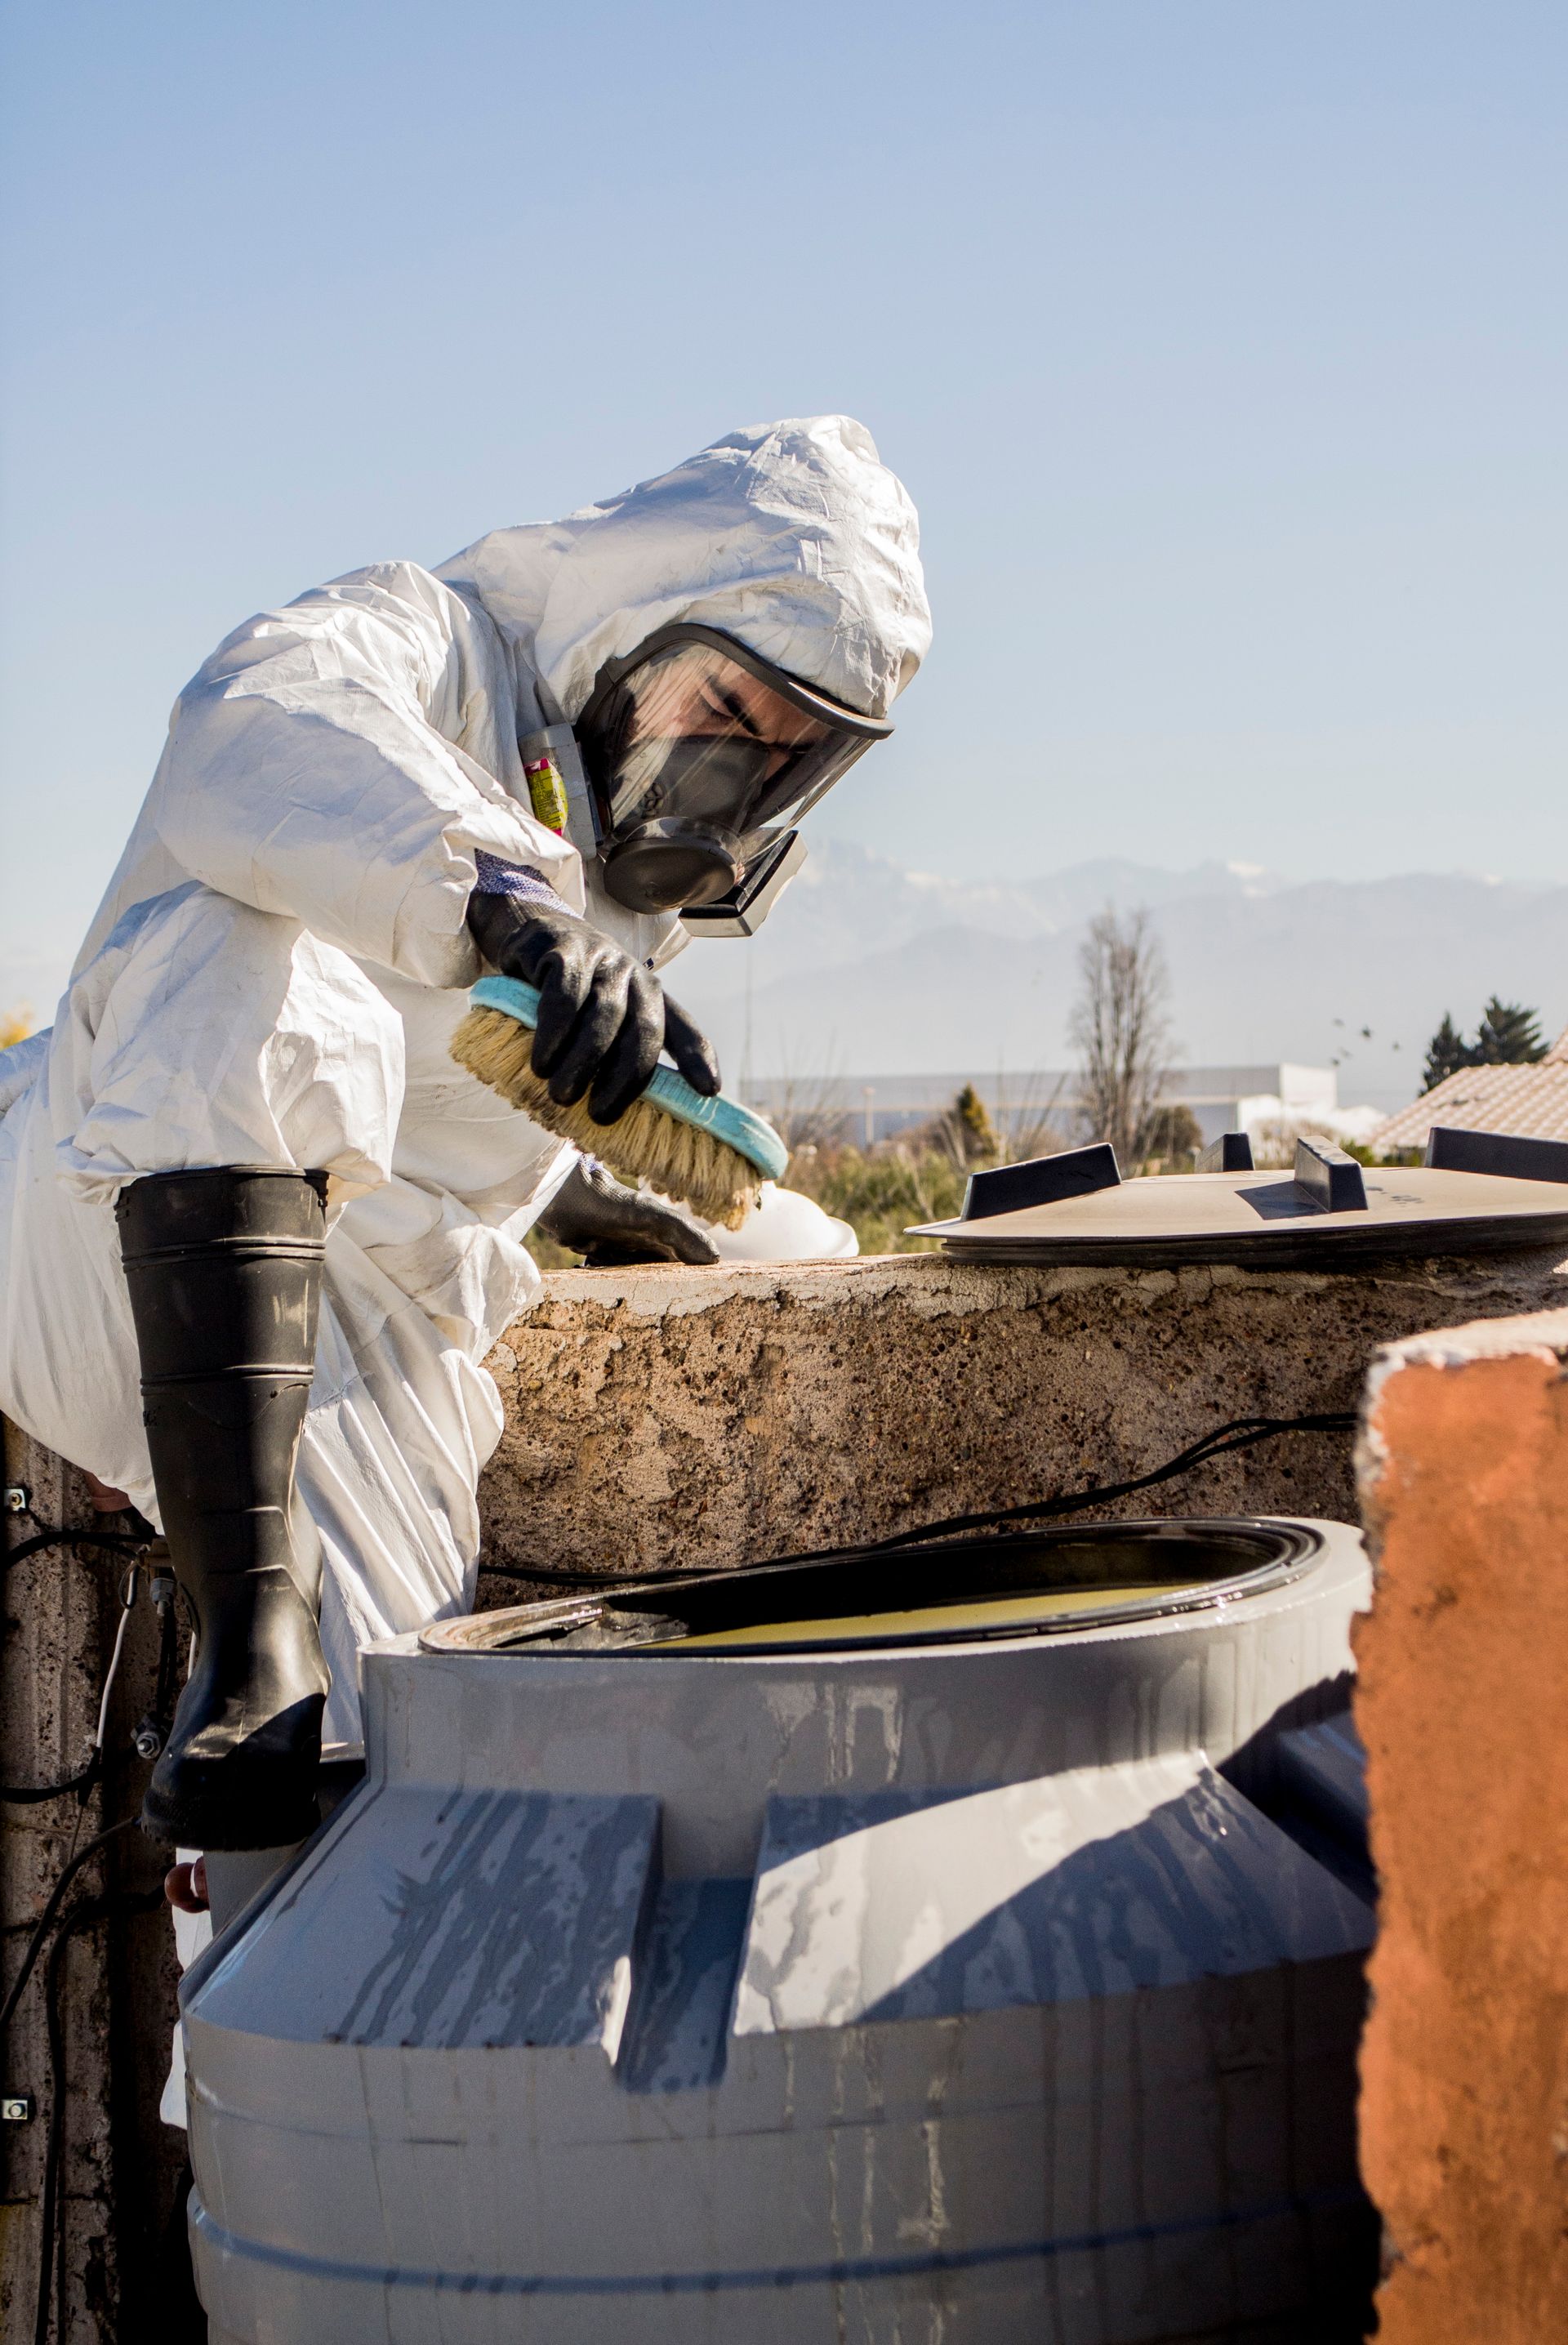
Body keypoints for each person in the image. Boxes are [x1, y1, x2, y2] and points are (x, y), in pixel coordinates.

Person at [0, 416, 930, 1865]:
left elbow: (441, 1075)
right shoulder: (427, 642)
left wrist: (570, 1184)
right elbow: (247, 727)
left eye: (783, 755)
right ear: (635, 622)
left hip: (357, 1308)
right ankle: (244, 1640)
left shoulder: (629, 882)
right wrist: (498, 896)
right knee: (243, 936)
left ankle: (252, 1969)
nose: (727, 772)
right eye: (723, 710)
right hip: (89, 1209)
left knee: (392, 1778)